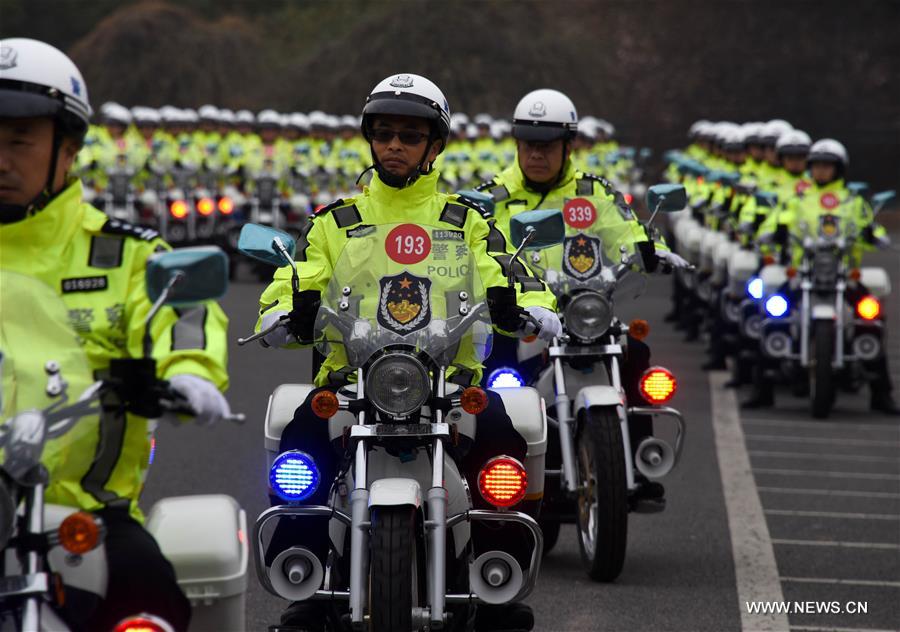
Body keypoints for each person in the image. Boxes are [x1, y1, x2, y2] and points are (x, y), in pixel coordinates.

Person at [255, 73, 559, 632]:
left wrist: (534, 307)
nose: (395, 145)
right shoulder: (335, 222)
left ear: (435, 145)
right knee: (300, 447)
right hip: (353, 384)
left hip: (448, 385)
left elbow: (512, 275)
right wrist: (282, 311)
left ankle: (499, 574)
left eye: (410, 135)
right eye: (385, 132)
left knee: (501, 445)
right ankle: (306, 577)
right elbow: (295, 278)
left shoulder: (467, 221)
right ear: (370, 139)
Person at [0, 38, 232, 631]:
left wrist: (188, 373)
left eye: (19, 140)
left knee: (149, 600)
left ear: (69, 148)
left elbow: (185, 314)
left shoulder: (124, 254)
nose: (1, 157)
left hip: (85, 515)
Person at [475, 88, 689, 505]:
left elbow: (627, 231)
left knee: (636, 355)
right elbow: (473, 246)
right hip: (523, 318)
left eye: (547, 146)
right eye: (528, 145)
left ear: (568, 145)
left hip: (583, 311)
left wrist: (649, 247)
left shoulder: (594, 193)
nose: (537, 154)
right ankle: (495, 474)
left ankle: (636, 464)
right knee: (489, 373)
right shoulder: (492, 198)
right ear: (516, 145)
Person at [745, 138, 898, 414]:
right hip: (803, 272)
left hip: (843, 274)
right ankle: (762, 390)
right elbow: (773, 222)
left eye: (828, 166)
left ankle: (882, 394)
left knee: (871, 318)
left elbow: (870, 227)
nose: (821, 171)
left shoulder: (853, 202)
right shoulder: (797, 199)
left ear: (839, 169)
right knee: (773, 315)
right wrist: (772, 232)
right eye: (817, 165)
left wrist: (873, 236)